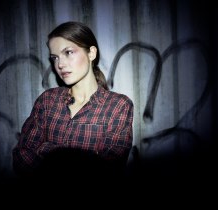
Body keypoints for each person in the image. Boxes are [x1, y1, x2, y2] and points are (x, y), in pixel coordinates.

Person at [12, 21, 134, 182]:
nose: (60, 64)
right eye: (54, 58)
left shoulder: (118, 106)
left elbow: (108, 170)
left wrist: (46, 149)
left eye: (68, 52)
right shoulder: (47, 101)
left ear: (91, 53)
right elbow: (22, 156)